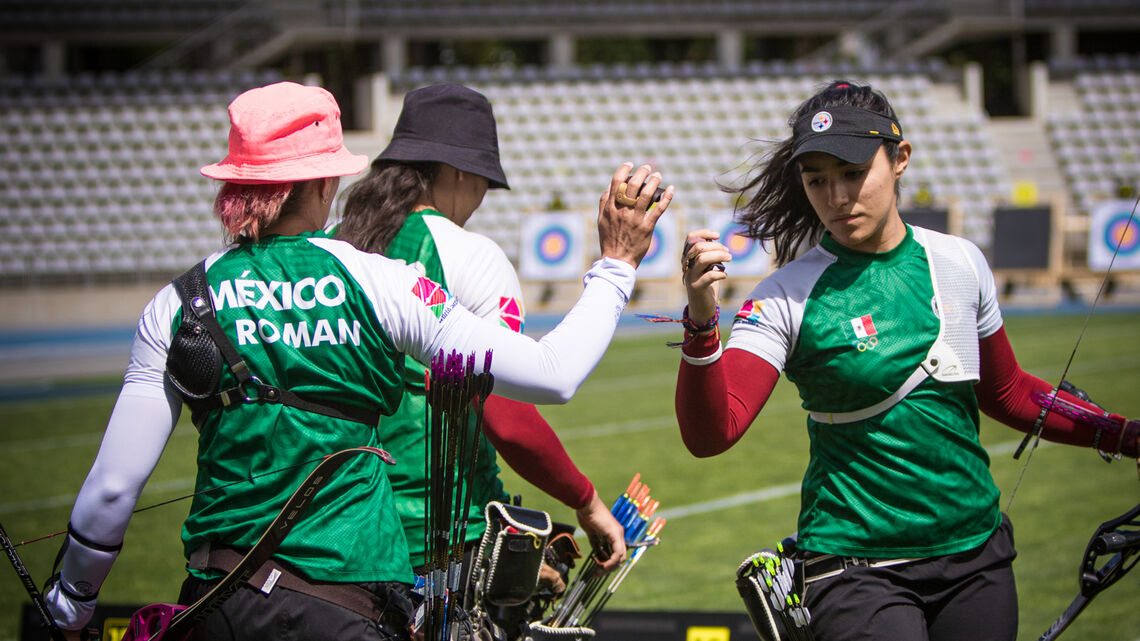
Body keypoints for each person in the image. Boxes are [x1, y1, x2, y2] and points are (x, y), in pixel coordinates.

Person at [42, 80, 671, 640]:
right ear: (322, 182)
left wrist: (71, 607)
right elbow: (552, 374)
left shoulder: (180, 300)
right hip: (349, 603)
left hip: (218, 601)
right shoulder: (379, 280)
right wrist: (617, 263)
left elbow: (112, 490)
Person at [674, 80, 1139, 641]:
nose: (836, 197)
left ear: (900, 159)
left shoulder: (961, 261)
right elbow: (712, 433)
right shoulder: (784, 295)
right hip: (855, 568)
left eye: (852, 173)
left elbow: (1008, 392)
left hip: (976, 558)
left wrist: (1123, 435)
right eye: (816, 180)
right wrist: (702, 321)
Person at [335, 84, 627, 586]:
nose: (481, 200)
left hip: (333, 534)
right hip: (436, 538)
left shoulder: (332, 247)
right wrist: (586, 500)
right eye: (484, 183)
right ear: (458, 172)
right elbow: (507, 417)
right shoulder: (472, 256)